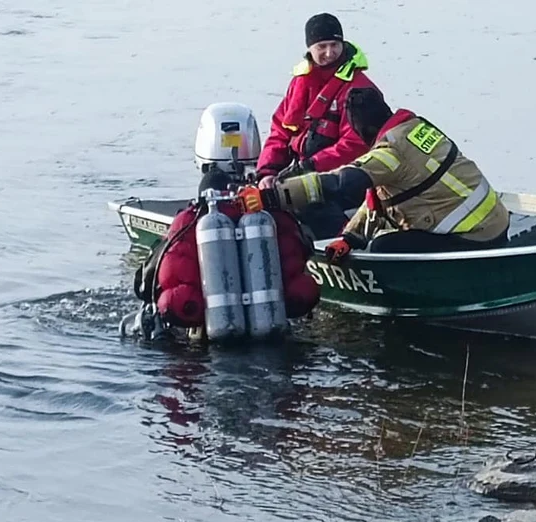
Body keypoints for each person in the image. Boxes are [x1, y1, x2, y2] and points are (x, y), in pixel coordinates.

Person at [264, 87, 511, 255]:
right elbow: (377, 200)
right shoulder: (415, 127)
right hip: (496, 221)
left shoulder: (389, 153)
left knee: (384, 247)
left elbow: (340, 183)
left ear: (363, 129)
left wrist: (273, 196)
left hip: (473, 237)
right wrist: (351, 238)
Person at [128, 168, 320, 339]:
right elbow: (300, 249)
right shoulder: (268, 218)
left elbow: (152, 276)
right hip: (268, 322)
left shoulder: (188, 221)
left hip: (211, 327)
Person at [254, 13, 381, 238]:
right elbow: (280, 131)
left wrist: (310, 168)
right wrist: (268, 172)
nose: (329, 53)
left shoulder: (359, 89)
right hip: (302, 170)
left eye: (335, 45)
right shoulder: (301, 82)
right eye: (322, 46)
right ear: (310, 48)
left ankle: (342, 244)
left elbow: (355, 145)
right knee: (264, 199)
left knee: (309, 203)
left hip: (345, 178)